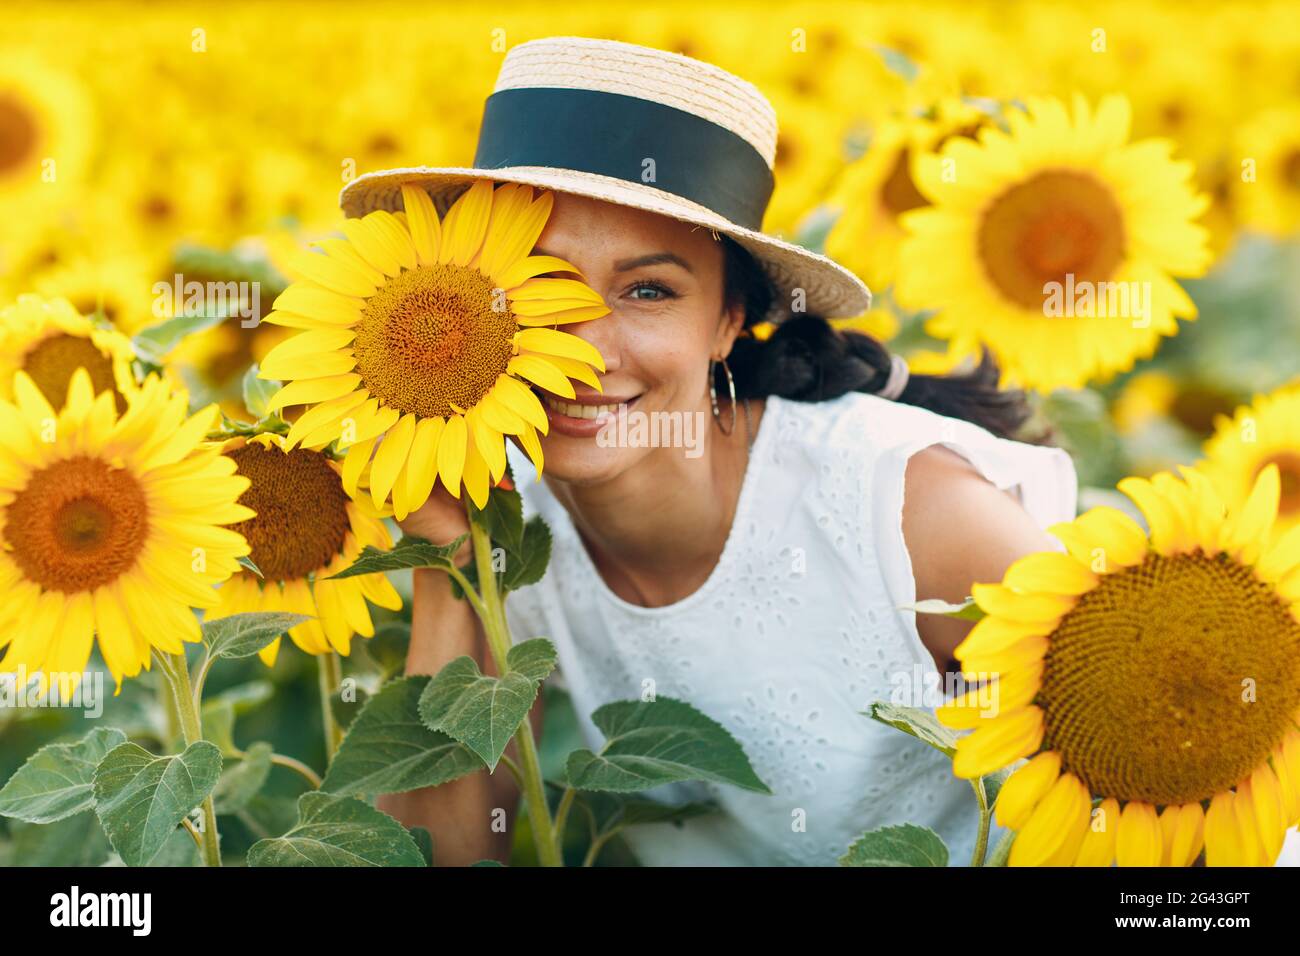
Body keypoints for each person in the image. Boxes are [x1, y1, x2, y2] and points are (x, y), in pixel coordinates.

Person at [353, 36, 1077, 865]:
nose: (584, 350)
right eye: (536, 283)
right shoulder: (509, 524)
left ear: (730, 320)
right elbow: (441, 853)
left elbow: (1159, 786)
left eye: (648, 291)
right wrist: (448, 558)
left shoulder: (912, 516)